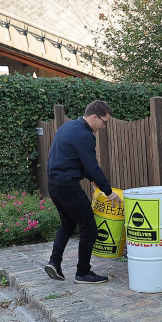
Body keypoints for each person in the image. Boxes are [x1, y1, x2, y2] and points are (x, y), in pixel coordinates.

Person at [44, 100, 121, 284]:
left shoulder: (68, 127)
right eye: (104, 121)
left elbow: (72, 159)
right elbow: (91, 165)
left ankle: (54, 262)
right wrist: (108, 191)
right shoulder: (85, 135)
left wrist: (92, 180)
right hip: (68, 186)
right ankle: (83, 272)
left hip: (54, 184)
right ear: (94, 117)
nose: (104, 126)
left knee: (68, 224)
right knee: (89, 227)